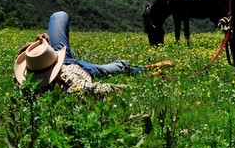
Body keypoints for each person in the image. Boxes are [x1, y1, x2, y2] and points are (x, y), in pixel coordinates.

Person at [14, 11, 173, 95]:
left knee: (59, 16)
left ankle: (143, 69)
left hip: (55, 56)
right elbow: (106, 88)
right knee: (117, 66)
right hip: (74, 67)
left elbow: (24, 53)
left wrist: (40, 43)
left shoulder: (25, 80)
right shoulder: (72, 84)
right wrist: (145, 86)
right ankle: (148, 69)